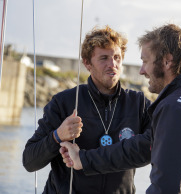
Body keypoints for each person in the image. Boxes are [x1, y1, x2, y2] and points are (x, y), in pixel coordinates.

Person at [60, 24, 181, 194]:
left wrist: (82, 159)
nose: (142, 70)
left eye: (145, 61)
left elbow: (167, 187)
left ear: (167, 61)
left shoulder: (175, 108)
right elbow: (143, 147)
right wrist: (84, 159)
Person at [22, 26, 152, 194]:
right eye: (104, 58)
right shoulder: (64, 102)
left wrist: (84, 159)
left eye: (117, 58)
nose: (112, 64)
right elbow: (29, 161)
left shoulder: (138, 103)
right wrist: (57, 136)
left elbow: (155, 147)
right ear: (87, 63)